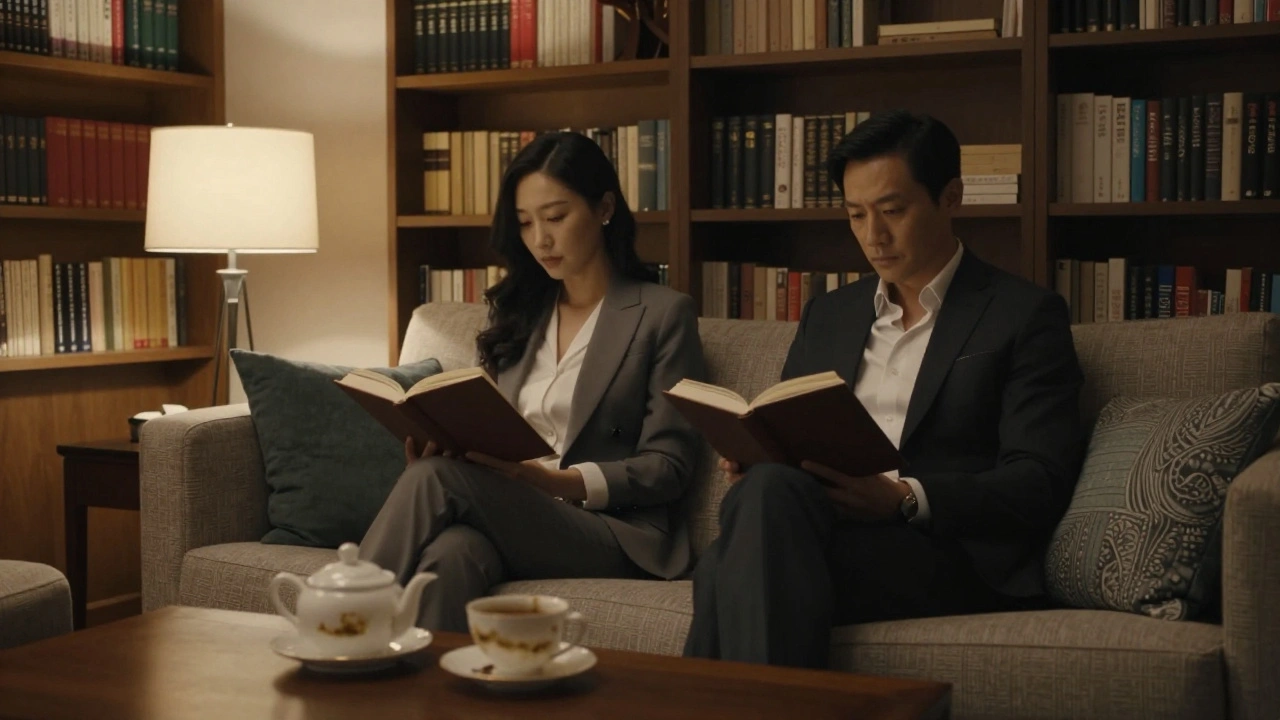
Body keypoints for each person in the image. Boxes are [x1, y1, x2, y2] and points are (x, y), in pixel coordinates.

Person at [681, 110, 1086, 669]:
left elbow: (1039, 479)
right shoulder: (829, 315)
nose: (873, 235)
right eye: (856, 214)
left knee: (726, 564)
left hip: (943, 550)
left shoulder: (1023, 315)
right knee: (765, 495)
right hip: (815, 525)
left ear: (951, 197)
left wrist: (904, 498)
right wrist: (760, 453)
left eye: (893, 210)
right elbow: (790, 428)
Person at [359, 131, 707, 633]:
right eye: (525, 222)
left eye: (556, 217)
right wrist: (446, 447)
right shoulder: (519, 314)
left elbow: (669, 466)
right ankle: (417, 683)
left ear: (604, 208)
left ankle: (339, 624)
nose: (540, 239)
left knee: (435, 480)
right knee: (452, 552)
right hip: (516, 513)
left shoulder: (662, 314)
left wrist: (551, 481)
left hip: (611, 530)